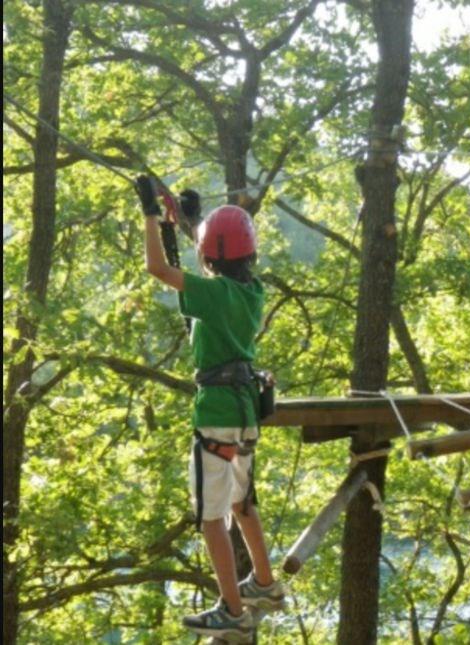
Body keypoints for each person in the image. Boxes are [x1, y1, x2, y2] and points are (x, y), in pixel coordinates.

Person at [136, 177, 285, 643]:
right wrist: (190, 221)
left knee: (210, 518)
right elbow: (218, 257)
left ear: (212, 258)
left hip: (217, 414)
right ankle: (265, 583)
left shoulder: (215, 294)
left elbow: (158, 269)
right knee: (242, 504)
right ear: (251, 255)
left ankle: (234, 611)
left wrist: (150, 216)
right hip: (245, 415)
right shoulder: (252, 292)